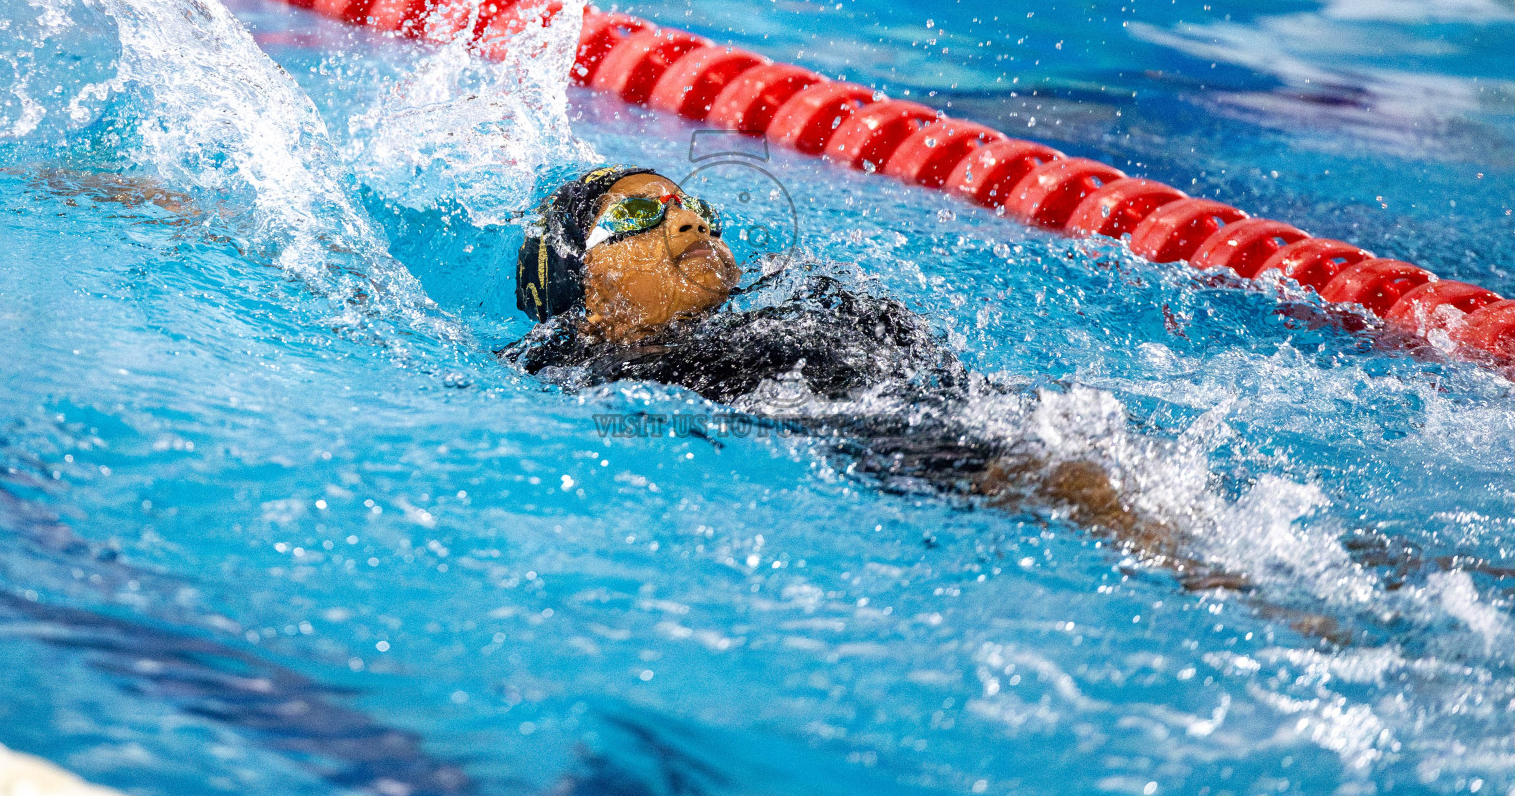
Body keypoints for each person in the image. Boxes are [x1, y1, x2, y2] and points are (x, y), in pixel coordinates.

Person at [502, 165, 1226, 585]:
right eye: (636, 215)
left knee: (1137, 463)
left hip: (930, 406)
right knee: (1080, 479)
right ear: (586, 295)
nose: (691, 224)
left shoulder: (800, 299)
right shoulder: (596, 367)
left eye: (695, 208)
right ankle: (1228, 577)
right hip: (865, 434)